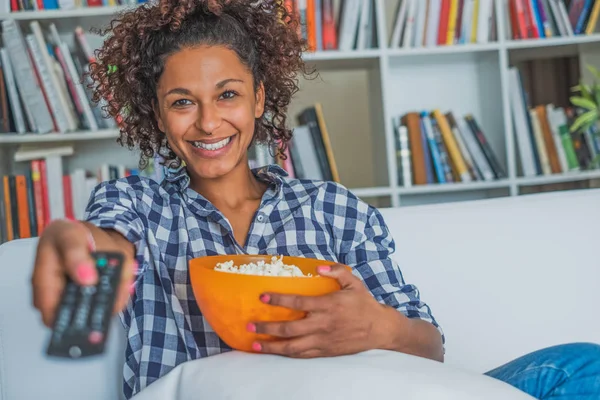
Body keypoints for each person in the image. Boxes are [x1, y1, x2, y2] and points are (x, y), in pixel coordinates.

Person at [31, 1, 600, 399]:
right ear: (158, 115)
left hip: (371, 393)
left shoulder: (333, 208)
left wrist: (375, 328)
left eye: (227, 94)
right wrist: (75, 245)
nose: (208, 121)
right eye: (182, 102)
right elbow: (104, 245)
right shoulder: (138, 204)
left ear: (258, 98)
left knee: (581, 367)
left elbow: (429, 345)